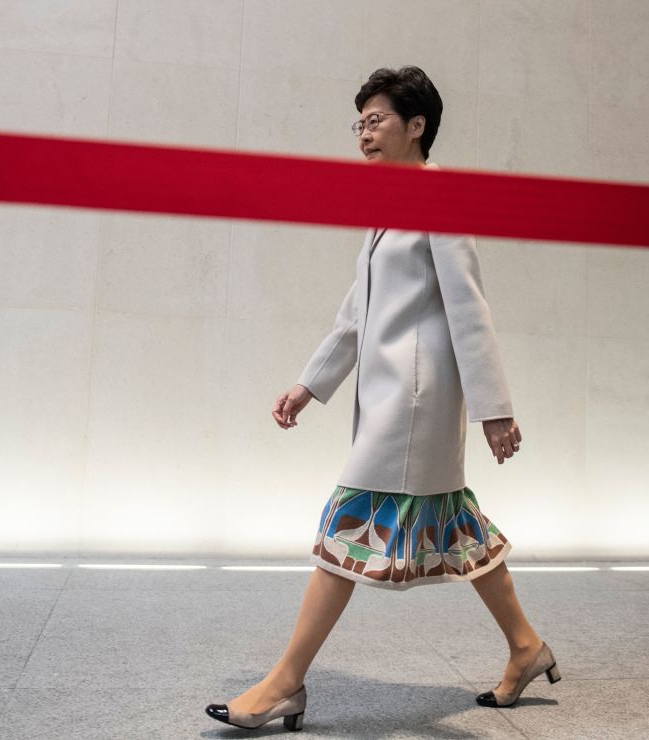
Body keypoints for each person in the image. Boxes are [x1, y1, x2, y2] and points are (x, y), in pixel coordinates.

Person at [206, 66, 560, 732]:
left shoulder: (440, 200)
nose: (363, 133)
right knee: (458, 529)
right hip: (391, 402)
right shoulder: (384, 209)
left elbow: (470, 310)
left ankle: (285, 683)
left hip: (414, 407)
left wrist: (494, 409)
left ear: (416, 125)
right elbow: (355, 314)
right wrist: (311, 384)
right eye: (358, 124)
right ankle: (525, 646)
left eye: (376, 120)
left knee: (345, 530)